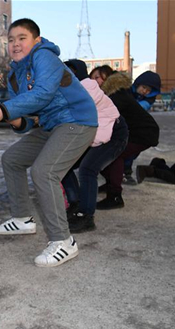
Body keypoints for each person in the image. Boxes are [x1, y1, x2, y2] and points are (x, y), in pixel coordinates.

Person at [0, 19, 98, 268]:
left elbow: (43, 94)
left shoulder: (44, 56)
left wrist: (5, 108)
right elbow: (27, 119)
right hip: (51, 126)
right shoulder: (14, 76)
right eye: (11, 40)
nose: (16, 44)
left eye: (22, 38)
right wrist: (15, 120)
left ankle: (63, 241)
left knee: (44, 172)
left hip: (77, 121)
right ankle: (23, 218)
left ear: (36, 40)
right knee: (12, 159)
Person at [61, 59, 128, 233]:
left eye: (70, 73)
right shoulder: (68, 90)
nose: (65, 76)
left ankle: (86, 216)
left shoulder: (87, 89)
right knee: (62, 165)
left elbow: (99, 133)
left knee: (88, 169)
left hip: (113, 134)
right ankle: (76, 204)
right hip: (93, 135)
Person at [89, 65, 160, 210]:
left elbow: (102, 116)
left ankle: (115, 196)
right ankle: (111, 185)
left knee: (115, 155)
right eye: (92, 77)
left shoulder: (117, 94)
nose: (93, 81)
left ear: (107, 78)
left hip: (143, 133)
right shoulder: (117, 92)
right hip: (136, 132)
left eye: (97, 77)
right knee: (103, 154)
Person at [122, 70, 162, 184]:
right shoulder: (126, 92)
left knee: (131, 151)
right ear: (137, 84)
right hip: (121, 124)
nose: (145, 91)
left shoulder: (147, 100)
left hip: (135, 128)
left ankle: (126, 171)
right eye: (144, 87)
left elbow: (138, 109)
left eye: (149, 90)